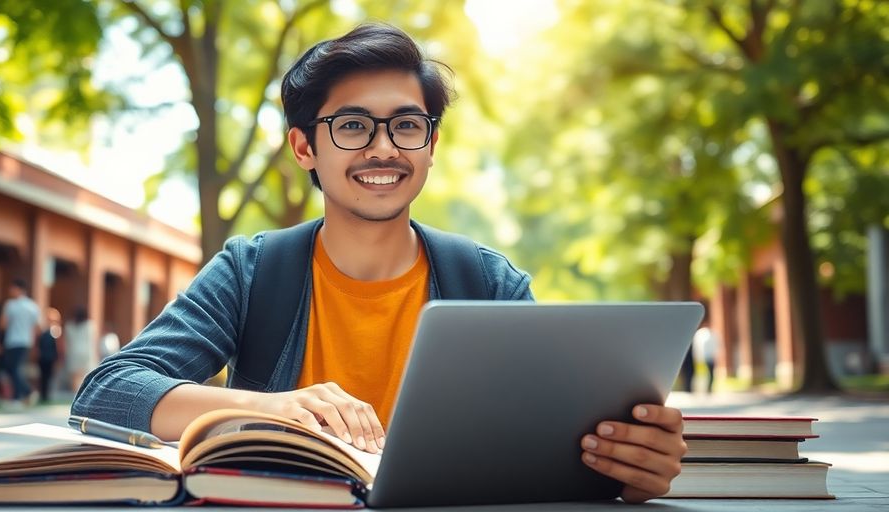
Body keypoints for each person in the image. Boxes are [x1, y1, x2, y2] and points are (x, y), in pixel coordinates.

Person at [73, 24, 686, 503]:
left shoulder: (490, 282)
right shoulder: (251, 271)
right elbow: (107, 391)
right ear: (304, 147)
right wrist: (270, 408)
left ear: (432, 144)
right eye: (353, 126)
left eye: (407, 126)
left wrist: (626, 472)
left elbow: (543, 449)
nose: (384, 148)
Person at [0, 278, 41, 407]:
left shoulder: (10, 305)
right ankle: (23, 394)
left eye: (12, 288)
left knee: (13, 369)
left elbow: (2, 324)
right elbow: (38, 327)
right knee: (15, 369)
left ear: (19, 289)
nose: (10, 291)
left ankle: (22, 395)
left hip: (13, 341)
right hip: (26, 342)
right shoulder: (33, 306)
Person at [64, 306, 94, 392]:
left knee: (74, 376)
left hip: (73, 352)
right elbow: (93, 342)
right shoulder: (90, 325)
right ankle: (83, 394)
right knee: (85, 375)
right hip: (87, 352)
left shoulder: (69, 326)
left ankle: (75, 394)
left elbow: (67, 342)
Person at [36, 308, 62, 404]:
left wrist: (58, 359)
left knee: (48, 377)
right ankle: (42, 394)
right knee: (42, 376)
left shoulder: (56, 330)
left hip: (50, 357)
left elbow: (57, 346)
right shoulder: (43, 329)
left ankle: (46, 395)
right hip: (43, 357)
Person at [692, 317, 720, 394]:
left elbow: (717, 345)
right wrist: (697, 357)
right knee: (701, 374)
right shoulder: (700, 334)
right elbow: (697, 346)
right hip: (702, 357)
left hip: (711, 357)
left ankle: (709, 388)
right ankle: (700, 388)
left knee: (711, 373)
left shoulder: (714, 334)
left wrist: (717, 355)